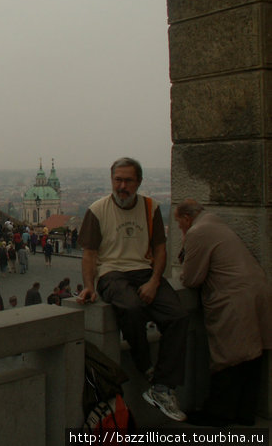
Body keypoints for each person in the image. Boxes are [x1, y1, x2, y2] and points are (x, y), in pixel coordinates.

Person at [77, 157, 188, 422]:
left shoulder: (151, 207)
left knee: (178, 316)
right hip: (111, 272)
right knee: (131, 306)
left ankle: (162, 386)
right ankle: (146, 367)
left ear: (138, 182)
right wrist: (90, 286)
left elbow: (161, 250)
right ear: (111, 180)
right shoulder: (97, 209)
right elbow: (90, 254)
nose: (122, 186)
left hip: (144, 271)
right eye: (118, 180)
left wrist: (154, 281)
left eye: (128, 180)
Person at [175, 199, 272, 426]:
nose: (180, 228)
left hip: (233, 299)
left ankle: (218, 413)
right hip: (255, 291)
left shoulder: (197, 231)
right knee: (251, 356)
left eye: (180, 224)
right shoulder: (213, 221)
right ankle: (244, 412)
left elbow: (191, 278)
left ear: (187, 218)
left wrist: (185, 241)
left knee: (228, 357)